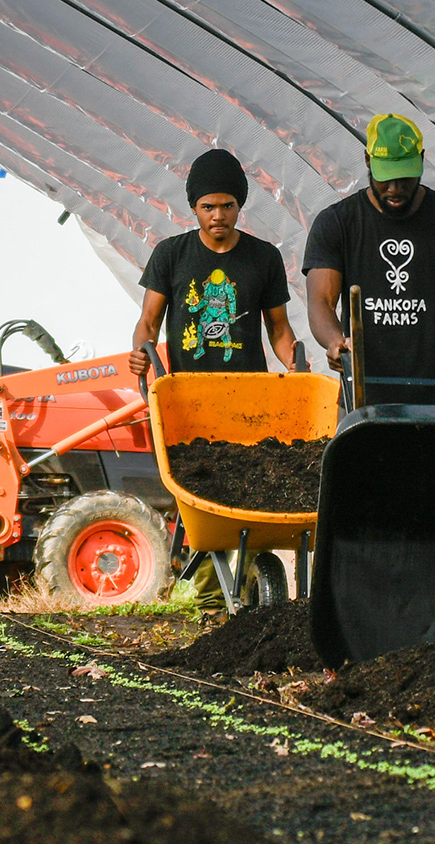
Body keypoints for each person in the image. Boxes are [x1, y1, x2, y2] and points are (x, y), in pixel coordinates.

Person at [127, 148, 297, 618]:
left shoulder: (263, 258)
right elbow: (148, 321)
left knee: (244, 494)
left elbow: (279, 330)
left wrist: (296, 366)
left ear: (240, 205)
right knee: (201, 496)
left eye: (227, 205)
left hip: (248, 400)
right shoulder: (172, 255)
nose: (218, 215)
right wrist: (142, 355)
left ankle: (236, 593)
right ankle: (212, 602)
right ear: (194, 208)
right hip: (188, 401)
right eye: (208, 207)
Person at [303, 114, 435, 405]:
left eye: (405, 177)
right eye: (386, 177)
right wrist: (335, 342)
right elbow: (321, 300)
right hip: (363, 401)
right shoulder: (337, 223)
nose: (395, 189)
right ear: (367, 161)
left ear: (422, 160)